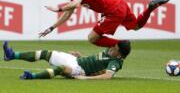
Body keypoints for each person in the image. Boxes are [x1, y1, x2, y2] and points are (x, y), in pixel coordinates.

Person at [39, 0, 169, 48]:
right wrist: (51, 28)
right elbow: (68, 13)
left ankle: (121, 46)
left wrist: (59, 8)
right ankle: (150, 8)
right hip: (119, 3)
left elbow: (75, 4)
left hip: (113, 10)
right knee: (136, 26)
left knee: (92, 38)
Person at [2, 41, 131, 80]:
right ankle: (12, 55)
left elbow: (107, 76)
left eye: (115, 48)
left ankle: (31, 76)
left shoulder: (116, 62)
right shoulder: (111, 50)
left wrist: (85, 78)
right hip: (78, 61)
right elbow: (96, 62)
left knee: (61, 69)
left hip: (80, 70)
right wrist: (81, 56)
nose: (112, 47)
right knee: (46, 53)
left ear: (120, 54)